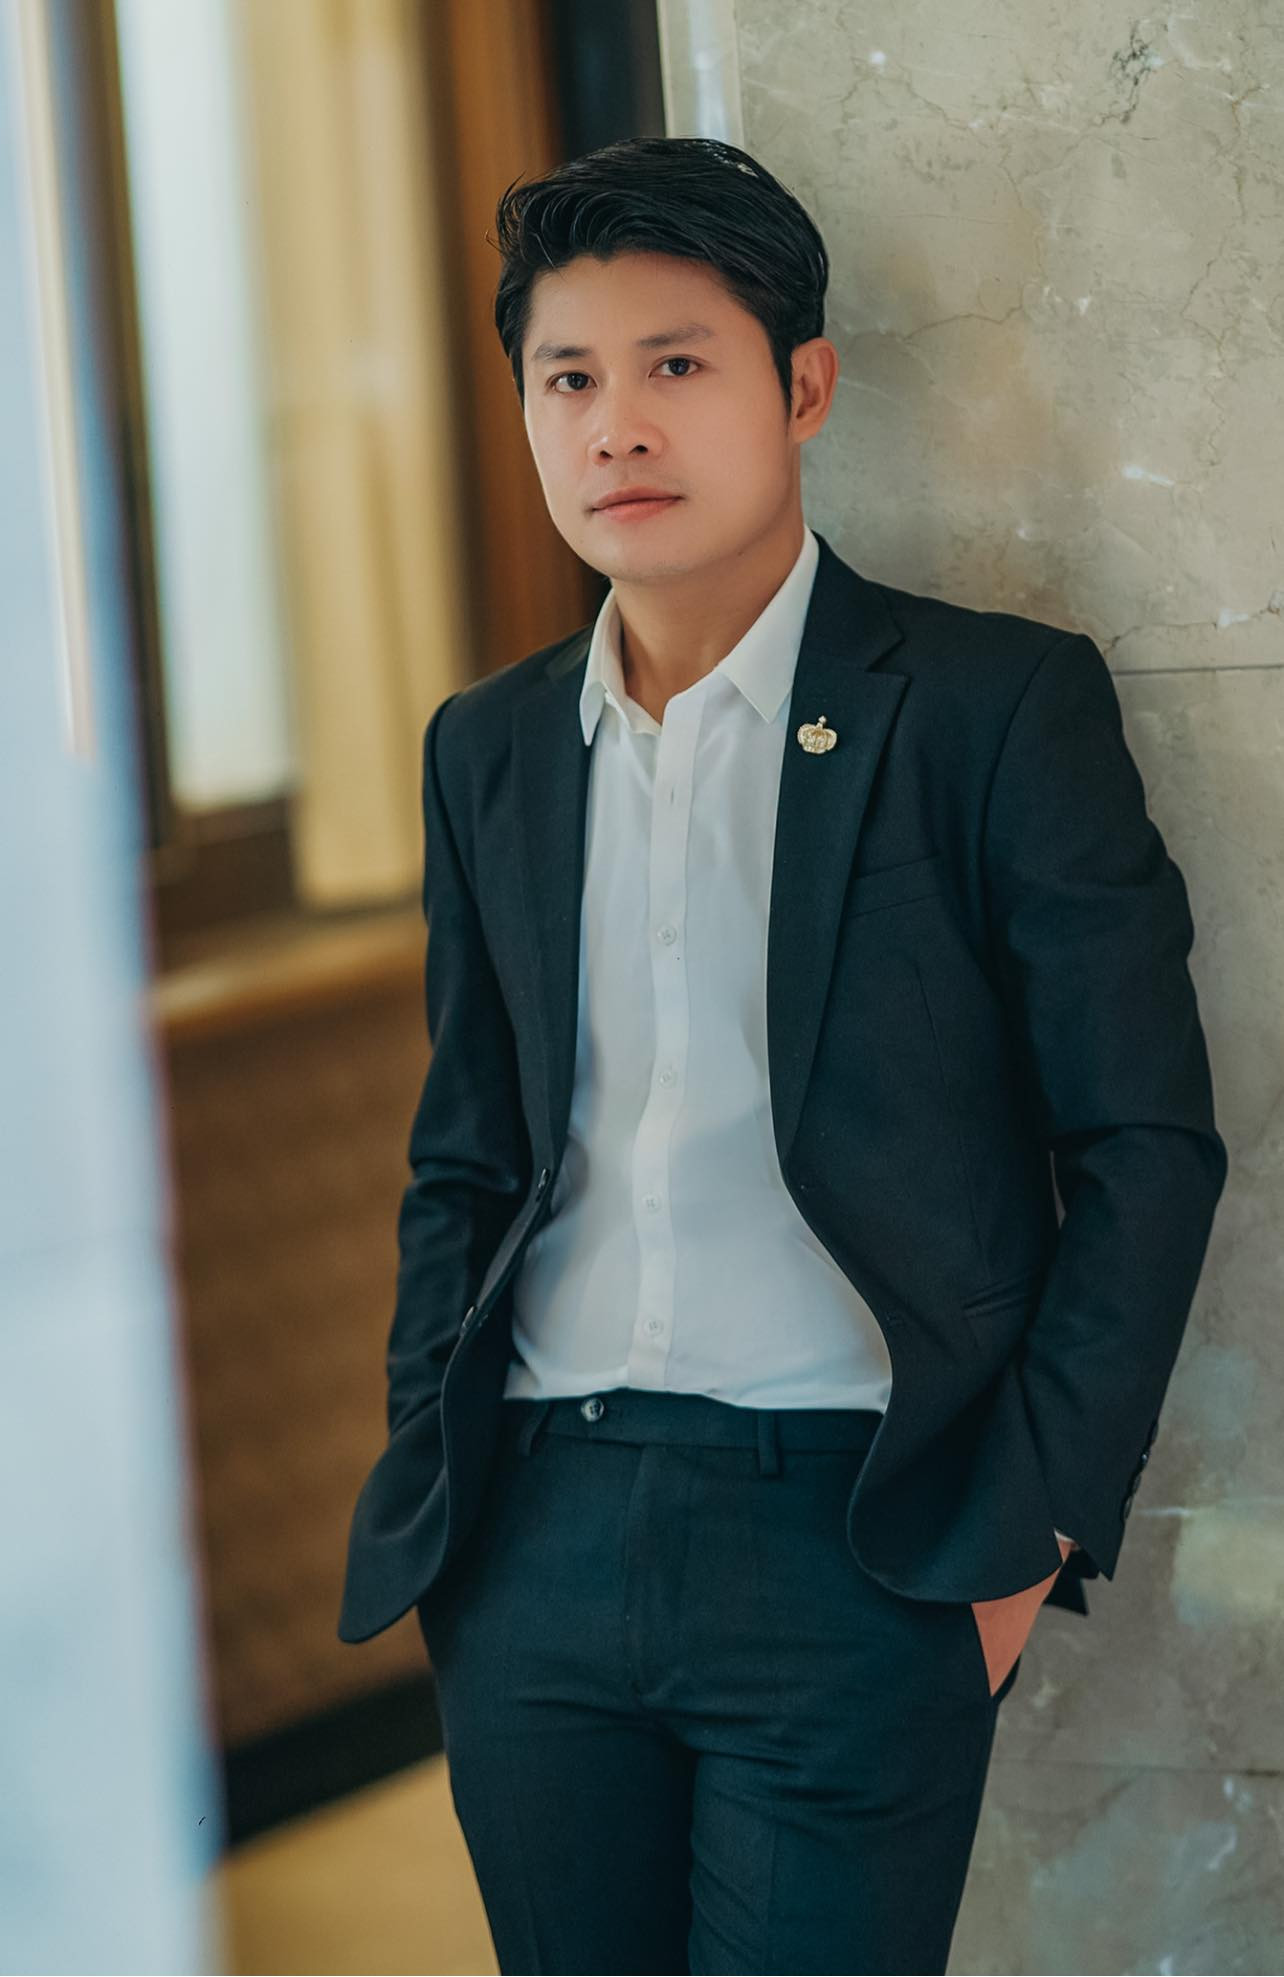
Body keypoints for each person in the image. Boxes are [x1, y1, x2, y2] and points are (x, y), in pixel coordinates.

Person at [337, 136, 1227, 1974]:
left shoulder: (988, 706)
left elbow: (1144, 1139)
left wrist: (1025, 1536)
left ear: (801, 387)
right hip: (537, 1538)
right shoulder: (490, 749)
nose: (616, 425)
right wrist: (444, 1489)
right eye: (568, 380)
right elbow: (468, 1156)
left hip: (858, 1539)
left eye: (676, 363)